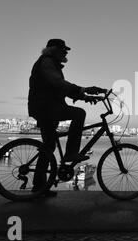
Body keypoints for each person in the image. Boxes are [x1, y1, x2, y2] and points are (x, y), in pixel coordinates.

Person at [28, 39, 106, 196]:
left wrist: (85, 96)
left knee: (48, 146)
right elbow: (59, 83)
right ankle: (71, 152)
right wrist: (84, 90)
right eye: (63, 49)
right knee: (79, 113)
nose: (66, 52)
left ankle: (39, 187)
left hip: (46, 107)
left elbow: (62, 88)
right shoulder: (47, 62)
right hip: (46, 107)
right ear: (53, 49)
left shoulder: (51, 63)